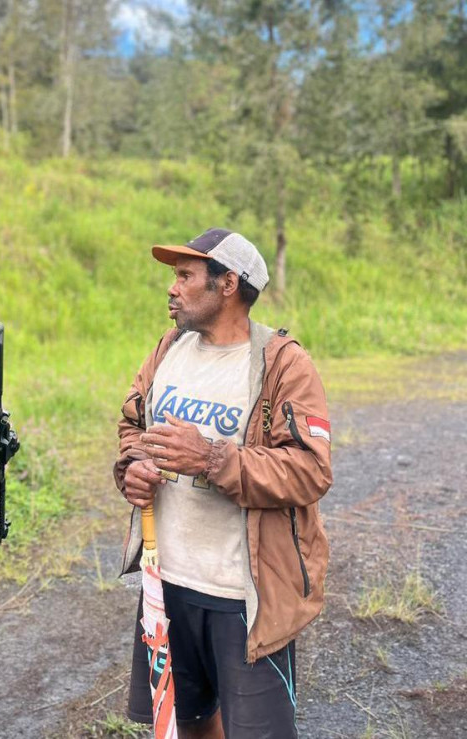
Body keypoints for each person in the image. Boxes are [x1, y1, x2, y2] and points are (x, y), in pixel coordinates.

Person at [114, 228, 333, 739]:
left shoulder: (281, 363)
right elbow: (132, 425)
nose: (172, 288)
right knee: (187, 721)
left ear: (228, 283)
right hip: (167, 582)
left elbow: (311, 470)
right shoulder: (170, 347)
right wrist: (132, 469)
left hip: (244, 595)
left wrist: (212, 459)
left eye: (186, 276)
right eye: (174, 276)